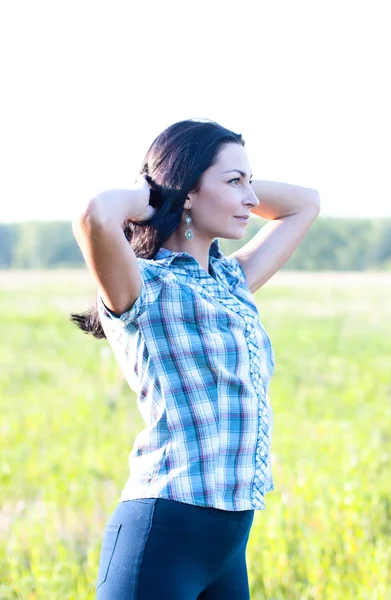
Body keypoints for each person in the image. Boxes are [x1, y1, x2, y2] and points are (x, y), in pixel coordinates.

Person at [71, 119, 320, 599]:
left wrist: (227, 185)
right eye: (234, 182)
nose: (251, 198)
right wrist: (155, 194)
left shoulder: (230, 281)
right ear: (187, 192)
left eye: (250, 181)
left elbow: (305, 203)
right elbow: (93, 215)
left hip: (227, 546)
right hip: (161, 535)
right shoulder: (143, 286)